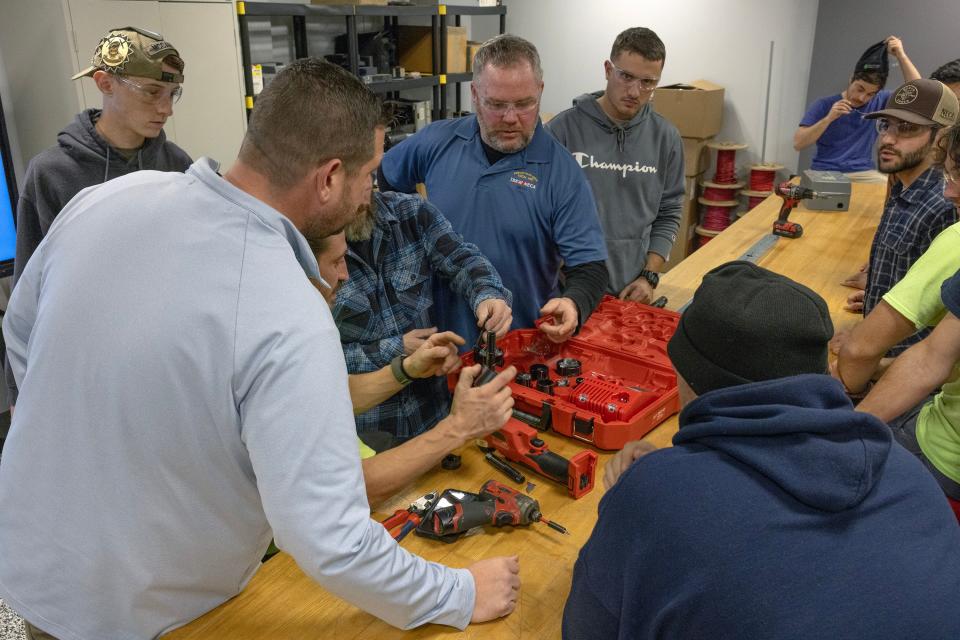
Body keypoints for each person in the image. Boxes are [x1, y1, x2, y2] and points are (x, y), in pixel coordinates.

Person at [0, 59, 520, 640]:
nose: (373, 190)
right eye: (368, 173)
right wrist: (458, 592)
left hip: (28, 569)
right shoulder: (285, 308)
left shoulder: (107, 200)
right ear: (328, 179)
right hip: (148, 611)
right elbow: (330, 539)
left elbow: (21, 333)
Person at [564, 261, 960, 640]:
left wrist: (640, 501)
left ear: (690, 376)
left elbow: (586, 629)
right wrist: (673, 481)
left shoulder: (652, 498)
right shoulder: (907, 473)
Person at [378, 34, 608, 347]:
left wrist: (573, 304)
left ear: (540, 92)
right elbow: (387, 176)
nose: (511, 118)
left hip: (518, 348)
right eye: (496, 105)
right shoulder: (436, 142)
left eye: (525, 104)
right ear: (474, 94)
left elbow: (589, 268)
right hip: (436, 345)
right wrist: (411, 240)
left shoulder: (562, 173)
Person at [5, 26, 192, 407]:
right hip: (90, 366)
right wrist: (27, 397)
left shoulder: (177, 164)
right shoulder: (51, 174)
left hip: (165, 358)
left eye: (173, 94)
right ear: (105, 83)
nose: (166, 109)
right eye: (152, 92)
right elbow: (30, 295)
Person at [310, 230, 516, 504]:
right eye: (337, 261)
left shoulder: (301, 321)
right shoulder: (285, 344)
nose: (346, 275)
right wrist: (458, 428)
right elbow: (354, 489)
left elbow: (337, 394)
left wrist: (407, 369)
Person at [836, 124, 960, 501]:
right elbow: (942, 354)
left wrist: (844, 436)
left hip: (944, 460)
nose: (949, 189)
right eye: (951, 173)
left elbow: (926, 362)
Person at [333, 190, 512, 441]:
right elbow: (317, 364)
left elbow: (463, 260)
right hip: (367, 437)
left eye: (365, 178)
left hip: (434, 418)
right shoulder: (308, 249)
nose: (360, 196)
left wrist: (488, 295)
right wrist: (397, 349)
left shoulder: (412, 214)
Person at [547, 27, 684, 303]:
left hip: (631, 294)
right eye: (626, 76)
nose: (635, 91)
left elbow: (669, 213)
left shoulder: (666, 139)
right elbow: (538, 212)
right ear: (608, 69)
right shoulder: (561, 131)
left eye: (648, 82)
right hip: (568, 292)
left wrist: (649, 276)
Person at [833, 79, 958, 357]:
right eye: (886, 125)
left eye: (907, 128)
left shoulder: (945, 206)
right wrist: (877, 301)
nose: (888, 139)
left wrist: (869, 349)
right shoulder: (903, 188)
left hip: (895, 371)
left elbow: (946, 332)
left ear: (943, 138)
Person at [794, 36, 920, 181]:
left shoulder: (881, 101)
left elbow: (918, 91)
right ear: (851, 79)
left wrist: (901, 55)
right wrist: (828, 119)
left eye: (870, 94)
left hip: (862, 172)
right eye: (860, 89)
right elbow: (798, 143)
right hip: (824, 171)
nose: (862, 98)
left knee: (888, 189)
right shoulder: (824, 104)